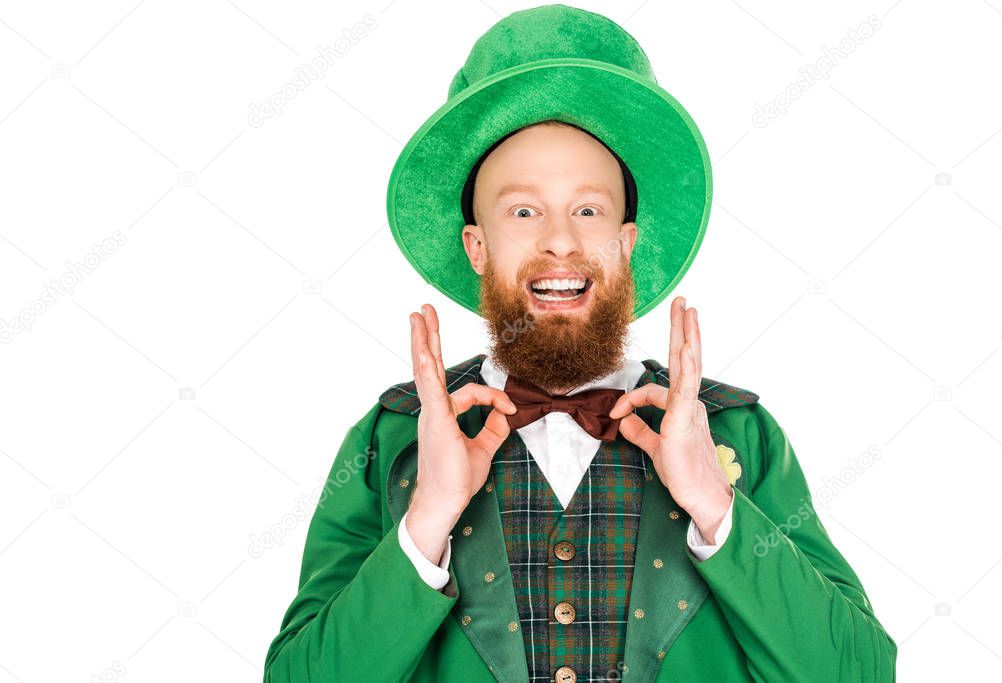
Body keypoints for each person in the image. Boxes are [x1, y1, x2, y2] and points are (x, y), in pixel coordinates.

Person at [264, 6, 897, 682]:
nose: (559, 240)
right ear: (476, 247)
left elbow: (856, 672)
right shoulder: (391, 440)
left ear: (626, 246)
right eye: (523, 211)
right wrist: (425, 524)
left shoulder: (737, 431)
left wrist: (717, 509)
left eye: (588, 210)